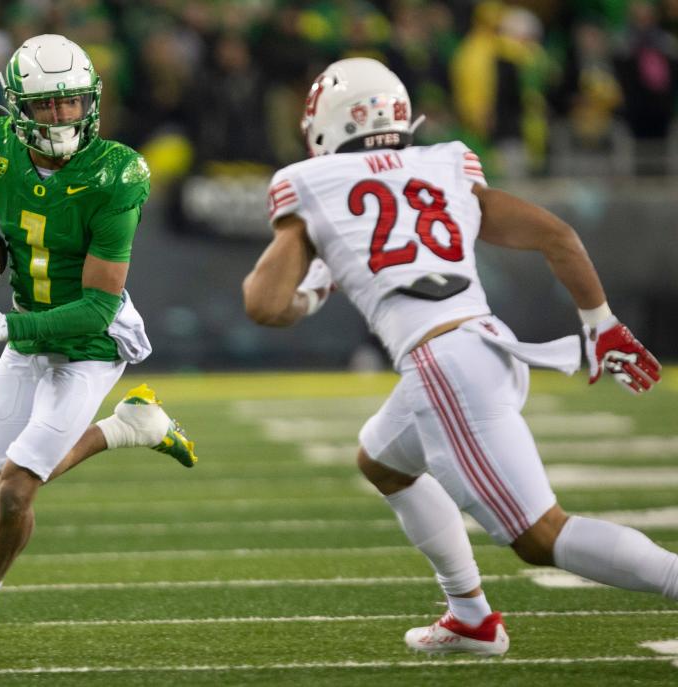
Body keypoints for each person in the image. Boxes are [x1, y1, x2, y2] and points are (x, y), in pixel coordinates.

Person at [242, 57, 674, 657]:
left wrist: (309, 291)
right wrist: (600, 323)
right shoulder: (443, 162)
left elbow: (263, 304)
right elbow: (558, 236)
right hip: (490, 346)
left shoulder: (311, 183)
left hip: (444, 364)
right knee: (383, 461)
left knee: (540, 536)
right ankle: (470, 617)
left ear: (324, 123)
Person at [0, 34, 197, 641]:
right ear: (17, 107)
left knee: (17, 490)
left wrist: (9, 326)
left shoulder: (117, 172)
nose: (61, 115)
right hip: (26, 326)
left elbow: (99, 307)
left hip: (91, 343)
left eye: (71, 102)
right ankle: (132, 426)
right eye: (46, 104)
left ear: (91, 101)